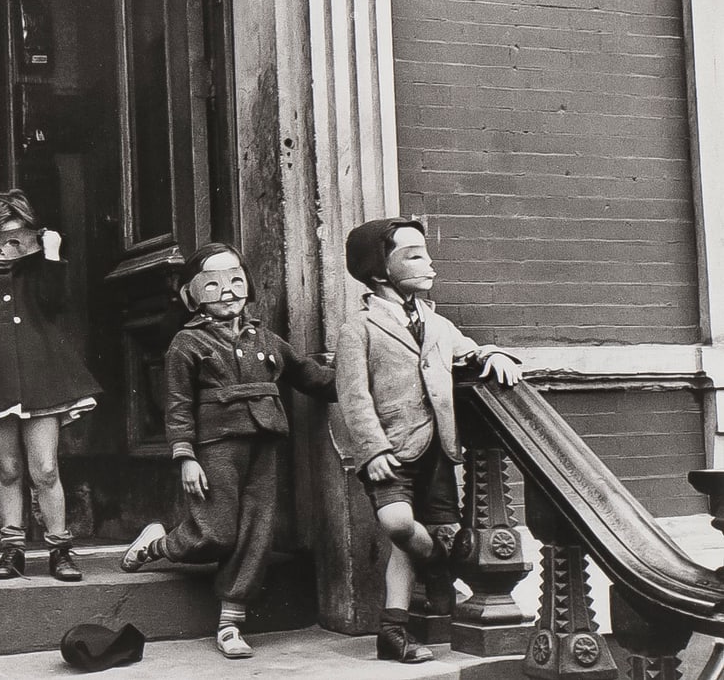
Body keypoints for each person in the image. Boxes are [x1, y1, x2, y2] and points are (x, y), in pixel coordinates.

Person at [119, 242, 336, 659]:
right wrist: (186, 457)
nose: (228, 291)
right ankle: (157, 545)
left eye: (236, 280)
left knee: (256, 532)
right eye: (213, 284)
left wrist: (360, 379)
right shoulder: (186, 344)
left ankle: (231, 623)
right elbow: (178, 407)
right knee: (217, 532)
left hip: (265, 443)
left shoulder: (266, 339)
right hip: (216, 447)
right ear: (192, 294)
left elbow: (310, 376)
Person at [336, 217, 522, 663]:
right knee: (399, 524)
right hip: (390, 451)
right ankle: (438, 561)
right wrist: (373, 449)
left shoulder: (437, 323)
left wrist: (492, 354)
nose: (429, 262)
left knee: (424, 534)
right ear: (381, 270)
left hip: (438, 449)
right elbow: (352, 396)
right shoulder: (358, 328)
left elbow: (465, 350)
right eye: (414, 255)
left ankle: (393, 632)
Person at [0, 189, 101, 582]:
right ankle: (12, 549)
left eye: (13, 239)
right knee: (7, 468)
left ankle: (60, 548)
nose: (2, 252)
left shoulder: (38, 268)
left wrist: (53, 255)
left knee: (44, 468)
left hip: (41, 378)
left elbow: (54, 302)